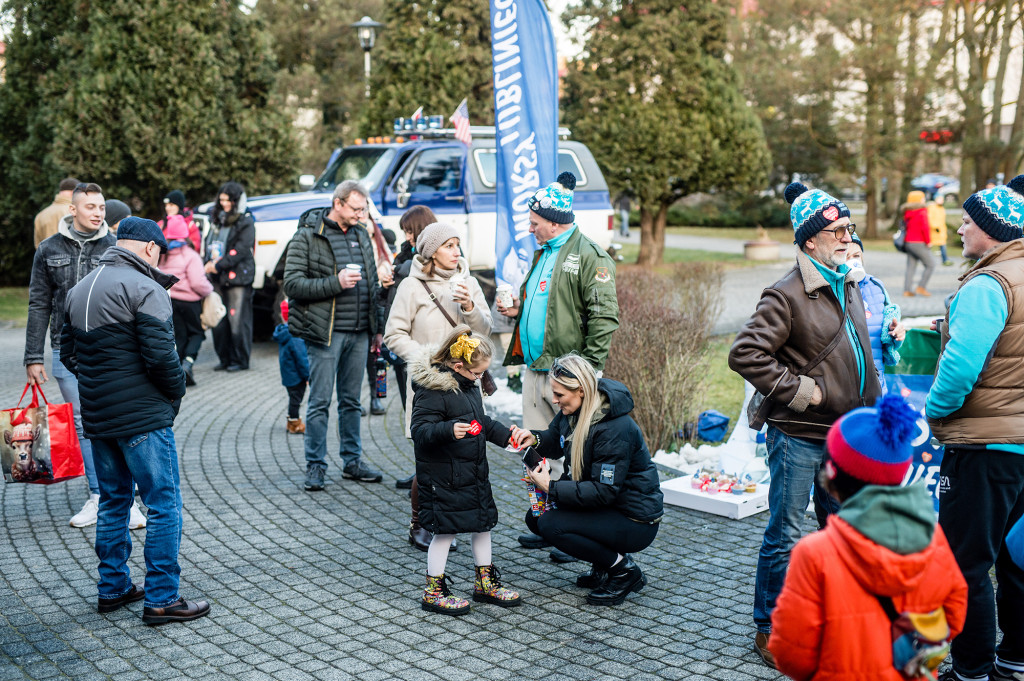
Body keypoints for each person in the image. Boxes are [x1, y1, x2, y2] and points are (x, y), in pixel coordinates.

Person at [729, 181, 882, 667]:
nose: (847, 237)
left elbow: (855, 351)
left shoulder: (849, 281)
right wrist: (799, 391)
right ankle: (769, 627)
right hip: (800, 437)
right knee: (786, 534)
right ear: (810, 240)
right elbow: (745, 353)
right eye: (837, 230)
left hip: (846, 436)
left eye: (848, 228)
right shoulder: (786, 293)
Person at [60, 217, 209, 625]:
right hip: (142, 416)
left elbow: (67, 353)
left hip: (98, 416)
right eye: (160, 253)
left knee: (113, 502)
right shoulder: (146, 288)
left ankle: (112, 588)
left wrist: (101, 383)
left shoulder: (78, 290)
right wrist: (174, 393)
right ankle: (162, 598)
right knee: (163, 503)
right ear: (148, 249)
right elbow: (163, 360)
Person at [769, 394, 968, 680]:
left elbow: (792, 655)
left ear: (831, 475)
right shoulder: (932, 536)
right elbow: (954, 614)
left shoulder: (814, 553)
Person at [925, 175, 1024, 681]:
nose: (959, 227)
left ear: (993, 230)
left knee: (965, 566)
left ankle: (971, 670)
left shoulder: (990, 284)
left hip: (984, 447)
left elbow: (961, 367)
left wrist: (935, 413)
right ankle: (1015, 660)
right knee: (1017, 560)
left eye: (968, 220)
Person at [497, 171, 620, 561]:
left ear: (553, 221)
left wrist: (588, 373)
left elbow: (604, 319)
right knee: (539, 452)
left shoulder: (589, 256)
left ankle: (573, 529)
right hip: (537, 370)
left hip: (569, 380)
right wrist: (518, 309)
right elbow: (548, 308)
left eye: (534, 222)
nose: (530, 228)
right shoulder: (545, 252)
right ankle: (548, 524)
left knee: (576, 456)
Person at [25, 182, 145, 530]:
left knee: (118, 420)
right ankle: (99, 496)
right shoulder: (48, 250)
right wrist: (34, 356)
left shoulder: (116, 247)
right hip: (65, 350)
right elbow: (38, 304)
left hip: (111, 349)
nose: (98, 213)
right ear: (72, 210)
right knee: (84, 424)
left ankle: (129, 500)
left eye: (102, 207)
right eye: (91, 207)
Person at [516, 354, 663, 606]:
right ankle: (603, 565)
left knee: (551, 524)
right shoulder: (575, 410)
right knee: (537, 518)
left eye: (559, 395)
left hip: (635, 519)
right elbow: (556, 439)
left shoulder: (614, 429)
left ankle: (623, 570)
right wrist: (534, 438)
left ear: (581, 390)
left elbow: (602, 492)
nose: (554, 400)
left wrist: (549, 487)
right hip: (609, 505)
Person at [384, 221, 491, 551]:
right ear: (431, 252)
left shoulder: (468, 281)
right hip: (429, 384)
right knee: (429, 460)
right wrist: (427, 359)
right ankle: (420, 522)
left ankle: (451, 521)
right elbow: (394, 334)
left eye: (458, 244)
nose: (456, 250)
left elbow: (485, 330)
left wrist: (470, 307)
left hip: (465, 386)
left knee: (462, 456)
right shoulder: (411, 286)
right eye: (448, 245)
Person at [410, 325, 528, 616]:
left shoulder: (467, 385)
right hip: (445, 477)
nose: (481, 379)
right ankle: (433, 590)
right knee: (445, 532)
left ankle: (484, 582)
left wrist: (506, 436)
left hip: (473, 473)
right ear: (458, 365)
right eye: (478, 374)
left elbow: (482, 422)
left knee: (481, 524)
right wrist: (449, 429)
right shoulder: (432, 391)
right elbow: (420, 430)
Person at [283, 180, 386, 490]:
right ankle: (315, 465)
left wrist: (377, 328)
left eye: (364, 209)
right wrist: (336, 282)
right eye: (356, 208)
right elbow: (292, 285)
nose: (361, 214)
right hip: (324, 334)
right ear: (338, 203)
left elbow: (373, 287)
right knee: (319, 402)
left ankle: (352, 461)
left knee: (352, 402)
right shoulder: (307, 236)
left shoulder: (361, 235)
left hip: (359, 333)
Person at [386, 205, 438, 492]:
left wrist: (395, 272)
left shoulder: (442, 255)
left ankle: (428, 473)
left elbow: (413, 271)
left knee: (427, 413)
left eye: (410, 231)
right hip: (405, 347)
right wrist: (386, 284)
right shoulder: (403, 256)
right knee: (413, 410)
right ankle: (420, 470)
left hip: (430, 352)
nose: (406, 237)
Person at [205, 181, 255, 372]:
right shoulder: (217, 218)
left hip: (237, 277)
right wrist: (208, 263)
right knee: (219, 319)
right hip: (217, 276)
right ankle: (224, 358)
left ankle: (240, 360)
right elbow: (209, 243)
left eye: (229, 200)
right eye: (222, 200)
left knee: (237, 321)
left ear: (236, 201)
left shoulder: (246, 221)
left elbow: (241, 250)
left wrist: (217, 265)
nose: (225, 204)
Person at [158, 214, 213, 386]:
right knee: (197, 334)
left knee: (180, 337)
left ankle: (178, 373)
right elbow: (198, 282)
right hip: (191, 302)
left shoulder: (162, 255)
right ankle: (188, 363)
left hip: (171, 302)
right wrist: (209, 290)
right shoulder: (190, 255)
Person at [846, 236, 906, 379]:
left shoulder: (876, 286)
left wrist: (896, 334)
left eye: (856, 256)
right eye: (846, 257)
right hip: (845, 382)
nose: (852, 261)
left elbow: (887, 339)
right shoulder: (830, 289)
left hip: (876, 380)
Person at [274, 299, 309, 434]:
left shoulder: (283, 332)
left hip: (288, 375)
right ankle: (295, 424)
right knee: (296, 400)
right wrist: (307, 376)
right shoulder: (295, 335)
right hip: (296, 377)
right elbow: (302, 359)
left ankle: (291, 422)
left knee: (293, 399)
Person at [901, 190, 934, 297]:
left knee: (911, 266)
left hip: (908, 243)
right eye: (922, 197)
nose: (924, 199)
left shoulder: (907, 212)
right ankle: (921, 287)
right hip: (919, 242)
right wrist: (928, 242)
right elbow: (925, 228)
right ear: (918, 200)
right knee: (930, 265)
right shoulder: (922, 211)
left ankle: (907, 290)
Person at [34, 177, 79, 248]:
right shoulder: (75, 211)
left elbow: (38, 245)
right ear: (74, 192)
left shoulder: (40, 215)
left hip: (46, 258)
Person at [928, 194, 953, 266]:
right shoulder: (932, 208)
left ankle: (945, 260)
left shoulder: (942, 208)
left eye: (942, 199)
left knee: (943, 246)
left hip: (941, 231)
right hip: (934, 231)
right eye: (939, 199)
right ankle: (924, 259)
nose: (941, 200)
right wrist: (935, 227)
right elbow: (929, 219)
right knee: (929, 246)